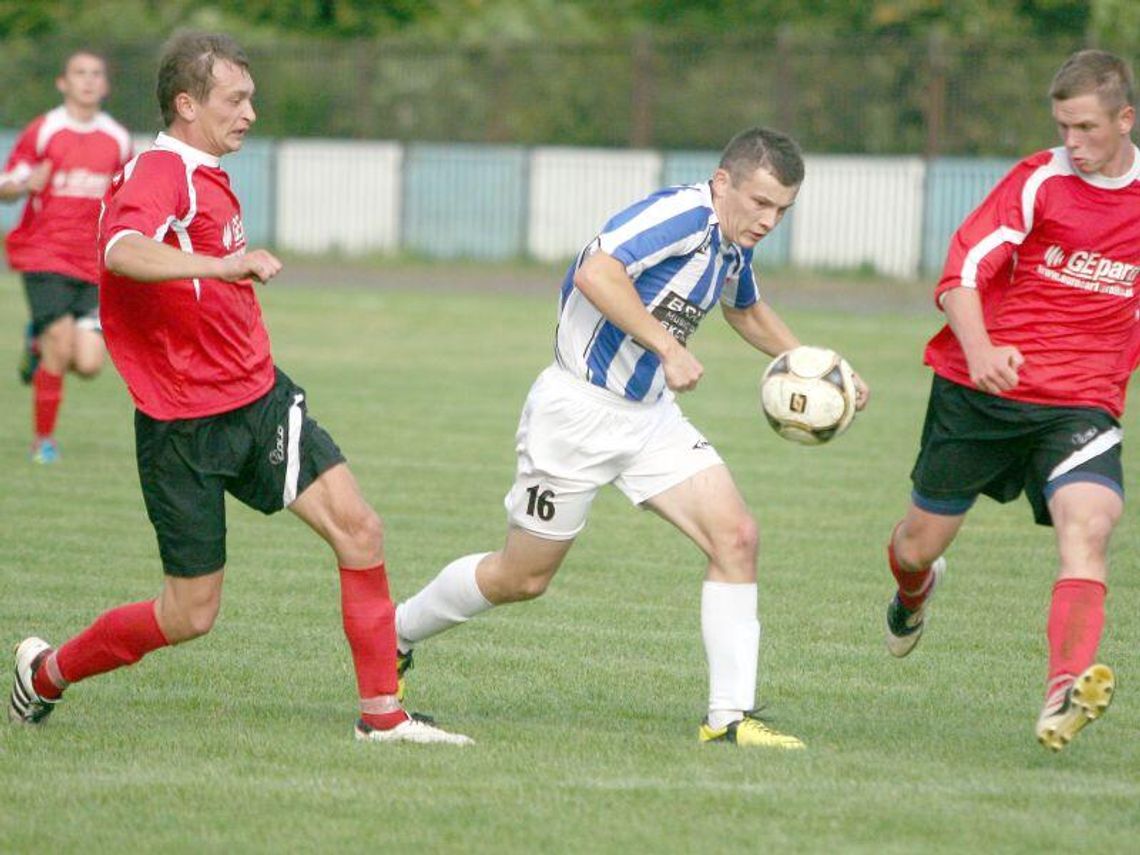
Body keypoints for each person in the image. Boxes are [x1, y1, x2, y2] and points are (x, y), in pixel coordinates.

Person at [8, 32, 471, 746]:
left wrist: (218, 279)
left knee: (360, 529)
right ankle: (46, 673)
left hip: (257, 398)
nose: (251, 112)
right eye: (236, 98)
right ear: (187, 103)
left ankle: (383, 713)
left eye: (250, 97)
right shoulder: (162, 170)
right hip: (180, 427)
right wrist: (219, 267)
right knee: (189, 614)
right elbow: (121, 251)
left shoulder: (208, 170)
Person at [393, 126, 869, 748]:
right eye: (760, 203)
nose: (769, 220)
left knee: (737, 536)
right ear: (723, 182)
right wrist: (667, 346)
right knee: (523, 578)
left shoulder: (731, 241)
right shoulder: (680, 215)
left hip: (649, 418)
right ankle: (393, 634)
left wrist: (822, 366)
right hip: (577, 413)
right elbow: (595, 272)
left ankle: (728, 719)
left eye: (782, 209)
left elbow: (745, 309)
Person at [882, 49, 1139, 752]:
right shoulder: (1039, 182)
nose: (1073, 144)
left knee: (1089, 530)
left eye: (1086, 128)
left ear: (1125, 118)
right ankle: (912, 593)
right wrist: (982, 350)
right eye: (1063, 127)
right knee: (915, 545)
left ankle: (1065, 688)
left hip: (1079, 404)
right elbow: (960, 273)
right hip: (979, 393)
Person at [0, 51, 131, 464]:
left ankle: (35, 343)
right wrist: (24, 185)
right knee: (60, 345)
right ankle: (44, 442)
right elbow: (7, 182)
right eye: (80, 73)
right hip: (45, 253)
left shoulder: (117, 138)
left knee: (89, 363)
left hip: (93, 263)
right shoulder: (45, 130)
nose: (89, 81)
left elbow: (127, 197)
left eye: (96, 74)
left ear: (105, 86)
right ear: (63, 82)